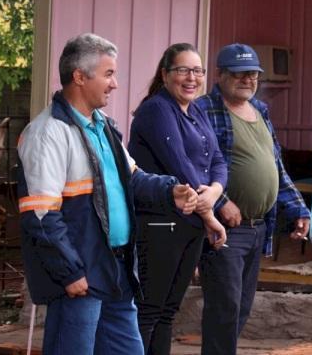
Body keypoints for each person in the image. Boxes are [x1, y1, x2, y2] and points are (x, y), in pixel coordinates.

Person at [17, 33, 199, 355]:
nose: (115, 84)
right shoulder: (48, 134)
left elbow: (134, 179)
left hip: (116, 268)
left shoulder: (104, 127)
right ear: (79, 76)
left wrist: (171, 192)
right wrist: (70, 272)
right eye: (109, 74)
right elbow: (40, 215)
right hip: (81, 274)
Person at [196, 43, 311, 355]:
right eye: (239, 73)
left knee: (241, 307)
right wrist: (220, 203)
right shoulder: (203, 110)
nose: (248, 79)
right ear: (220, 75)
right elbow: (193, 167)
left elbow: (276, 166)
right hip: (223, 227)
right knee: (225, 308)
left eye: (253, 74)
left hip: (259, 227)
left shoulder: (260, 110)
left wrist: (299, 209)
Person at [127, 43, 227, 354]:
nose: (191, 78)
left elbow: (219, 160)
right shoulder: (157, 109)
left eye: (197, 71)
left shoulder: (195, 109)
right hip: (160, 224)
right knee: (149, 310)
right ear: (165, 74)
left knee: (169, 311)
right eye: (183, 70)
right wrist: (210, 214)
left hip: (191, 221)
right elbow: (179, 165)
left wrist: (214, 192)